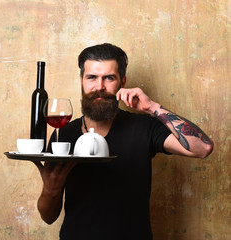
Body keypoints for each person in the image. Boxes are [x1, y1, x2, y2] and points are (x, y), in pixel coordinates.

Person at [33, 43, 213, 239]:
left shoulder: (144, 127)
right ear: (81, 80)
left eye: (109, 78)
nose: (99, 87)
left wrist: (151, 107)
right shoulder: (64, 134)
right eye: (91, 77)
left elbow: (203, 148)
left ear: (122, 82)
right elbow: (49, 217)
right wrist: (51, 190)